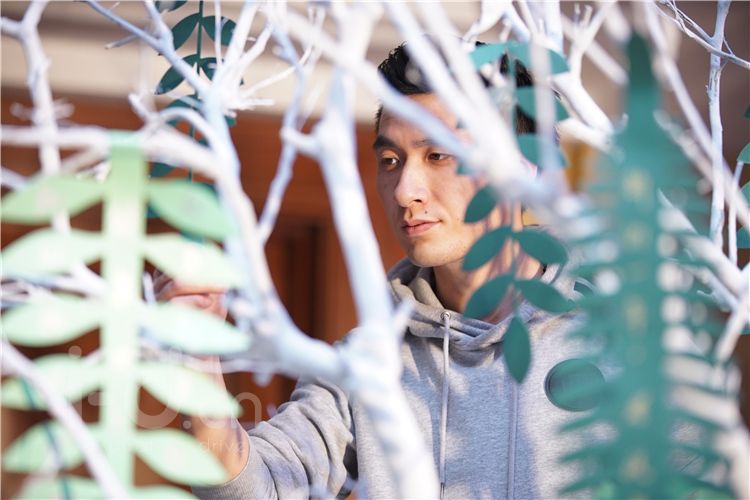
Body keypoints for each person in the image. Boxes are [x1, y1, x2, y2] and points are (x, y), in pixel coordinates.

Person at [160, 43, 588, 499]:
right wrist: (198, 359)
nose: (404, 190)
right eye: (390, 161)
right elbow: (255, 490)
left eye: (437, 155)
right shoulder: (368, 363)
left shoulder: (622, 330)